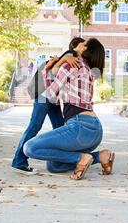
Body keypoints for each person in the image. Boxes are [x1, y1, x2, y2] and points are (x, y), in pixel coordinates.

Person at [23, 38, 115, 180]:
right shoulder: (90, 72)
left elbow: (50, 94)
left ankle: (81, 158)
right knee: (54, 166)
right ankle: (100, 156)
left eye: (84, 44)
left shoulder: (70, 66)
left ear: (84, 49)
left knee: (30, 148)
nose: (80, 45)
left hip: (79, 127)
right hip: (96, 131)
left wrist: (55, 64)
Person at [11, 37, 85, 175]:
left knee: (60, 129)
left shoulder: (71, 57)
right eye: (83, 45)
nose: (85, 47)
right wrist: (64, 60)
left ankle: (63, 161)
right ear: (75, 46)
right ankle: (19, 162)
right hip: (45, 96)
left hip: (53, 99)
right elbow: (53, 72)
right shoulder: (71, 54)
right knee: (34, 127)